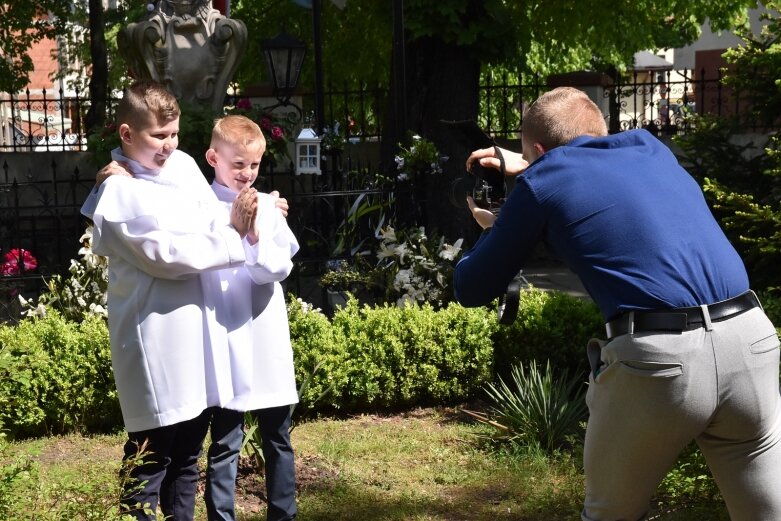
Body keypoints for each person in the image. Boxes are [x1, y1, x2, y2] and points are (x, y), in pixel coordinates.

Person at [453, 86, 781, 521]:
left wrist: (493, 225)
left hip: (660, 361)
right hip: (751, 338)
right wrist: (530, 161)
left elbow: (471, 288)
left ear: (537, 150)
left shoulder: (539, 183)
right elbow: (588, 163)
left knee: (610, 514)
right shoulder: (651, 148)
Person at [81, 79, 258, 521]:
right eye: (157, 136)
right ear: (126, 134)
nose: (168, 145)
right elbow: (162, 255)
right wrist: (233, 236)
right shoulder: (118, 191)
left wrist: (261, 209)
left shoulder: (181, 166)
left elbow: (209, 214)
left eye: (173, 134)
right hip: (154, 334)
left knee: (186, 455)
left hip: (197, 333)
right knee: (152, 454)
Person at [200, 114, 299, 521]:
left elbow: (278, 267)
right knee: (225, 438)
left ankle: (284, 513)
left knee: (277, 434)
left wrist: (256, 235)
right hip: (225, 331)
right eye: (238, 164)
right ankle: (221, 515)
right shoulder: (202, 207)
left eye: (254, 165)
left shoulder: (268, 209)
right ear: (213, 158)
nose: (246, 173)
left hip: (265, 333)